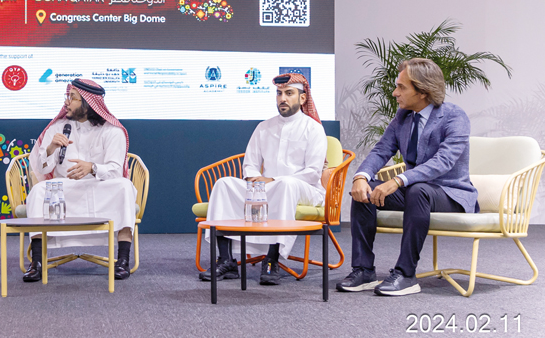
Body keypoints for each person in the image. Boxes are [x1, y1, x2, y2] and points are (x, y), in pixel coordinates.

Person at [337, 58, 478, 296]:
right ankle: (363, 270)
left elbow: (442, 162)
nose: (395, 93)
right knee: (365, 192)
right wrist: (360, 177)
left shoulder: (454, 116)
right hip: (417, 191)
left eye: (401, 87)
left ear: (423, 91)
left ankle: (406, 274)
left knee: (417, 190)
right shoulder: (403, 116)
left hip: (450, 193)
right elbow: (381, 150)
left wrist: (398, 180)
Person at [201, 73, 328, 285]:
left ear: (302, 98)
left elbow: (313, 172)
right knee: (224, 184)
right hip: (264, 187)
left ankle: (272, 259)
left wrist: (273, 179)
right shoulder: (264, 127)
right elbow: (250, 163)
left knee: (285, 185)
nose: (282, 99)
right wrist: (255, 179)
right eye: (279, 94)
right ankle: (226, 260)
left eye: (289, 93)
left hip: (305, 189)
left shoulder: (313, 128)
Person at [24, 79, 137, 281]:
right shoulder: (57, 128)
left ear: (88, 103)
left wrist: (92, 168)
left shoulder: (112, 131)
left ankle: (123, 260)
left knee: (125, 187)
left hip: (99, 187)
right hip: (64, 188)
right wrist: (50, 148)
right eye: (67, 96)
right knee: (39, 191)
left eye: (72, 97)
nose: (66, 102)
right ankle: (37, 262)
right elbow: (41, 168)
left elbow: (115, 170)